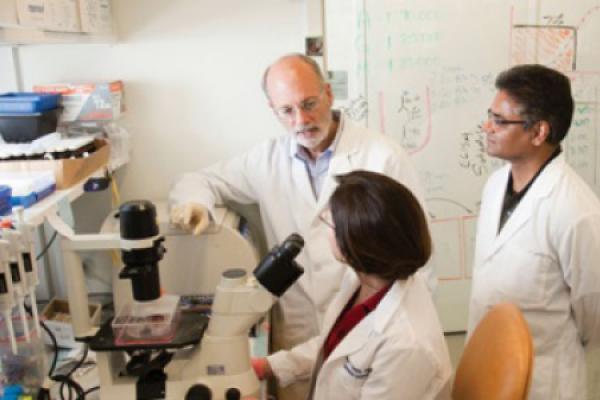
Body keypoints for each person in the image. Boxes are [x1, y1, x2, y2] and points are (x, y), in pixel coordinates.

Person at [169, 53, 431, 400]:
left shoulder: (382, 157)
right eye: (287, 110)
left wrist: (397, 328)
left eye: (310, 104)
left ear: (328, 93)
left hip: (374, 326)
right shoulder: (266, 160)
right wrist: (196, 205)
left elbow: (418, 263)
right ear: (272, 110)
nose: (302, 120)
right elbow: (199, 180)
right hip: (302, 332)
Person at [253, 171, 452, 400]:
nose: (326, 230)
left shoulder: (406, 344)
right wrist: (268, 366)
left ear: (356, 240)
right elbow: (337, 345)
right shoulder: (368, 278)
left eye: (331, 223)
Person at [468, 64, 600, 400]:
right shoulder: (496, 183)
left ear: (539, 132)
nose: (487, 127)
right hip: (486, 363)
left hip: (544, 379)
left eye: (500, 120)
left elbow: (593, 311)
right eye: (490, 115)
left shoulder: (575, 209)